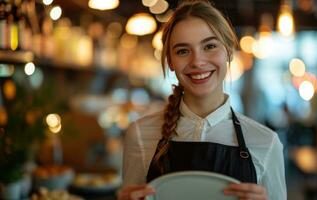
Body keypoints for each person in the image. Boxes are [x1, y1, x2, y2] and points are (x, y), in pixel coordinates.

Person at [117, 1, 286, 199]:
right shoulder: (139, 135)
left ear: (229, 51)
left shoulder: (266, 142)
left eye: (209, 46)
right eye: (182, 51)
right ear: (170, 61)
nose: (197, 61)